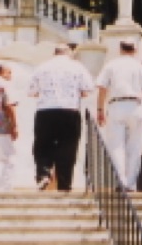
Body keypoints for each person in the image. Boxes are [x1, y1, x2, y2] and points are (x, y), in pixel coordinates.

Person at [27, 43, 94, 191]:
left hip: (45, 110)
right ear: (69, 53)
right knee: (68, 147)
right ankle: (64, 183)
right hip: (69, 110)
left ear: (54, 53)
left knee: (42, 145)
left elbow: (31, 91)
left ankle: (43, 174)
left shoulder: (42, 67)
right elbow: (88, 87)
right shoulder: (77, 66)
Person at [95, 37, 142, 191]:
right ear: (135, 50)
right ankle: (131, 182)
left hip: (116, 105)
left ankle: (120, 179)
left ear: (120, 49)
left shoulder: (111, 65)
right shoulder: (140, 67)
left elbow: (102, 89)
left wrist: (100, 109)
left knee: (116, 146)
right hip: (136, 106)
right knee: (134, 146)